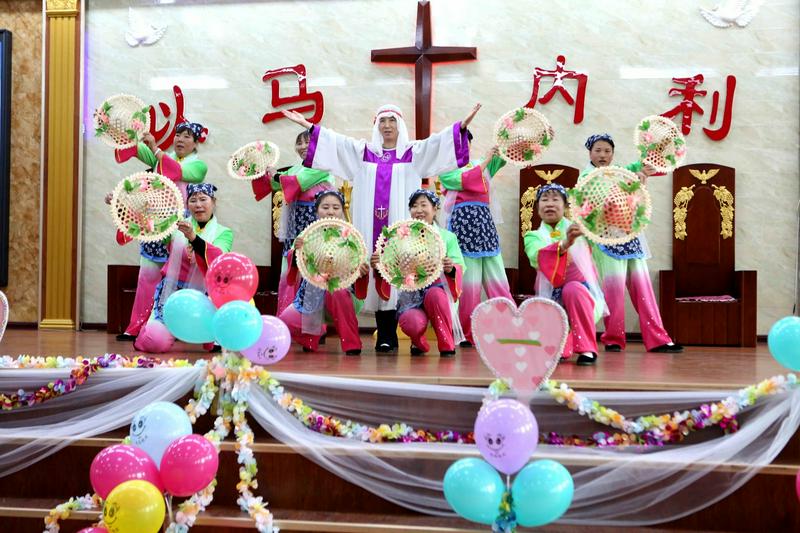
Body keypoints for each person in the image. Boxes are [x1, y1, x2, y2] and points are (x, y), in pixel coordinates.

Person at [282, 103, 479, 353]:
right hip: (369, 222)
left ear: (400, 125)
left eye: (392, 121)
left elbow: (438, 143)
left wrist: (461, 127)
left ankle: (409, 328)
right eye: (382, 121)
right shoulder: (363, 152)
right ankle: (385, 333)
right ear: (376, 125)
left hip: (401, 226)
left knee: (402, 268)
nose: (387, 126)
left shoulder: (413, 153)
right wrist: (308, 126)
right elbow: (335, 142)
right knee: (375, 269)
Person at [107, 121, 208, 341]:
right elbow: (136, 147)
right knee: (146, 278)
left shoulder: (198, 166)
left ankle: (180, 330)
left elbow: (177, 170)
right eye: (178, 135)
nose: (180, 139)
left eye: (187, 136)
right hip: (153, 227)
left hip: (180, 231)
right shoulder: (161, 157)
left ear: (196, 142)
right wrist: (126, 132)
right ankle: (137, 327)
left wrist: (155, 148)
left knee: (177, 280)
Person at [582, 133, 682, 353]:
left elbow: (646, 164)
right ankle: (613, 339)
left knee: (643, 288)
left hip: (629, 236)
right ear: (589, 152)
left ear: (613, 154)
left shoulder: (620, 171)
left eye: (607, 151)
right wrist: (631, 182)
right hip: (605, 240)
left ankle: (658, 339)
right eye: (598, 150)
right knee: (614, 292)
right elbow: (596, 203)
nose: (603, 155)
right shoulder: (586, 177)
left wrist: (661, 146)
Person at [134, 183, 233, 353]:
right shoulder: (175, 227)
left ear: (214, 202)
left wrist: (194, 238)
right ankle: (149, 331)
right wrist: (128, 205)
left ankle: (208, 335)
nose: (198, 205)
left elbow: (219, 259)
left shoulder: (224, 232)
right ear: (187, 205)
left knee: (220, 343)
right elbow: (150, 224)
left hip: (205, 296)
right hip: (172, 292)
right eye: (193, 200)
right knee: (154, 341)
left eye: (203, 199)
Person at [250, 131, 336, 314]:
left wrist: (275, 176)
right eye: (300, 143)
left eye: (308, 142)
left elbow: (297, 182)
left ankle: (312, 322)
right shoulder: (295, 168)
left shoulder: (323, 166)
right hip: (294, 224)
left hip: (315, 225)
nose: (304, 146)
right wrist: (260, 169)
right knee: (290, 266)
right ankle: (289, 315)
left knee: (313, 267)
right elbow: (275, 185)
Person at [372, 189, 465, 357]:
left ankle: (446, 344)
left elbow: (459, 266)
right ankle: (418, 341)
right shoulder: (401, 237)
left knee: (435, 295)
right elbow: (390, 265)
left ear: (435, 208)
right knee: (411, 322)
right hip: (411, 294)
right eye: (414, 206)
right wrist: (378, 265)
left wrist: (451, 268)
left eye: (424, 205)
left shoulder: (447, 237)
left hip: (438, 291)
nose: (419, 210)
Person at [438, 142, 513, 346]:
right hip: (463, 229)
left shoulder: (482, 163)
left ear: (471, 144)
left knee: (498, 281)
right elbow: (467, 179)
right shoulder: (446, 171)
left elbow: (507, 155)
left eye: (466, 142)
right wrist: (488, 159)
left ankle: (511, 328)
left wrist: (520, 140)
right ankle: (467, 333)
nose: (462, 147)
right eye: (456, 143)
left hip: (486, 228)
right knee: (468, 286)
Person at [523, 184, 606, 365]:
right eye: (544, 200)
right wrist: (565, 243)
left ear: (566, 206)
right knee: (559, 353)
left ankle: (587, 349)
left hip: (582, 297)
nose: (549, 204)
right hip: (551, 297)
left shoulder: (580, 229)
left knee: (573, 288)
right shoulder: (533, 236)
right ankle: (562, 340)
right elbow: (537, 257)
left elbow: (605, 235)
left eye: (555, 200)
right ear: (538, 208)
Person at [278, 190, 369, 355]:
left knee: (337, 292)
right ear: (317, 210)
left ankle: (352, 344)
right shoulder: (306, 236)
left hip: (342, 296)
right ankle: (313, 334)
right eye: (325, 207)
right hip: (311, 296)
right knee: (286, 321)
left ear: (342, 211)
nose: (330, 211)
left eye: (336, 207)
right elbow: (293, 266)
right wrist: (296, 252)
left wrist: (362, 271)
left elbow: (361, 265)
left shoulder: (351, 236)